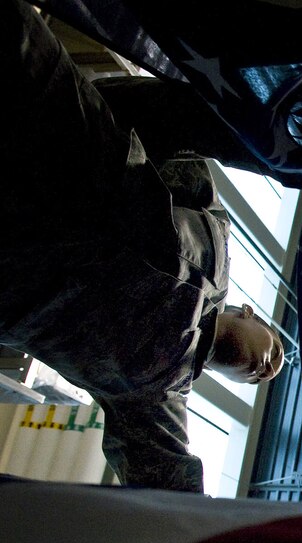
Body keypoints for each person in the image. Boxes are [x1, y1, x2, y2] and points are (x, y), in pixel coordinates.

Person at [0, 0, 284, 492]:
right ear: (248, 313)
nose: (266, 368)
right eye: (276, 352)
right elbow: (174, 126)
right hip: (56, 130)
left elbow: (175, 501)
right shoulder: (218, 242)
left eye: (259, 379)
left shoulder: (155, 399)